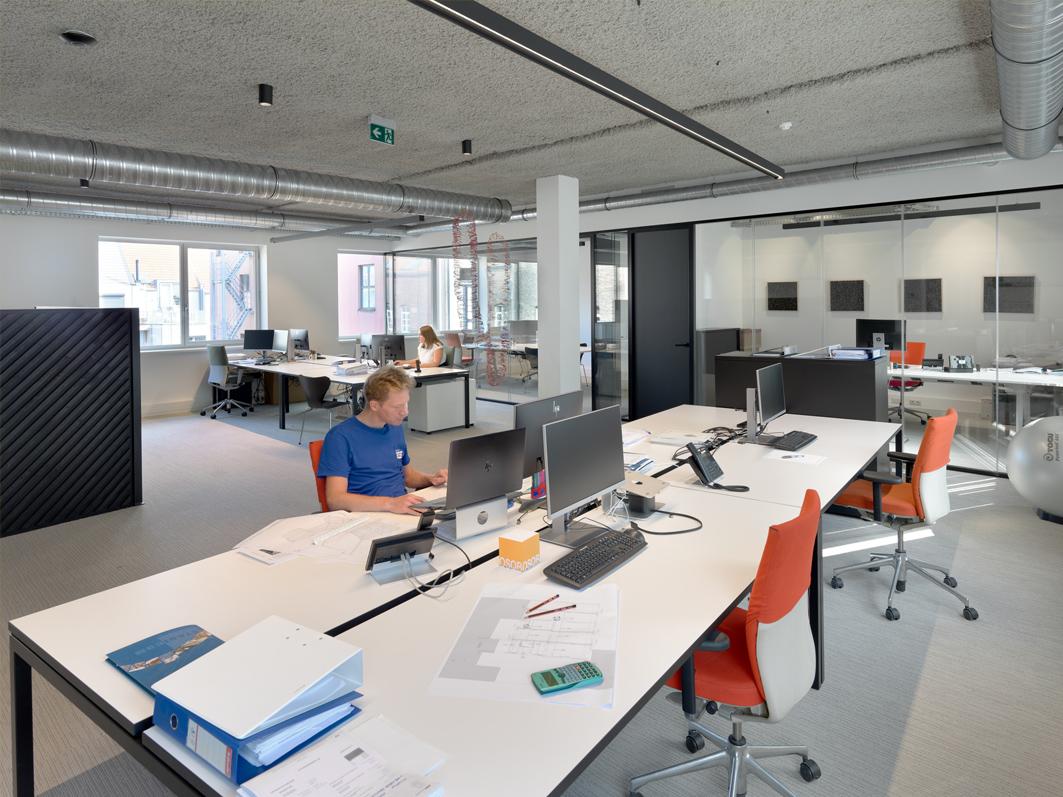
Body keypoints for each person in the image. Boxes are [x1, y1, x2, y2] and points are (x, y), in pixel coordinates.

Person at [316, 365, 447, 514]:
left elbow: (408, 477)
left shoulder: (394, 427)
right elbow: (335, 500)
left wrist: (431, 478)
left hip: (398, 509)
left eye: (406, 403)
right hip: (367, 515)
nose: (405, 412)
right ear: (374, 405)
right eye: (397, 407)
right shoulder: (340, 437)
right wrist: (390, 504)